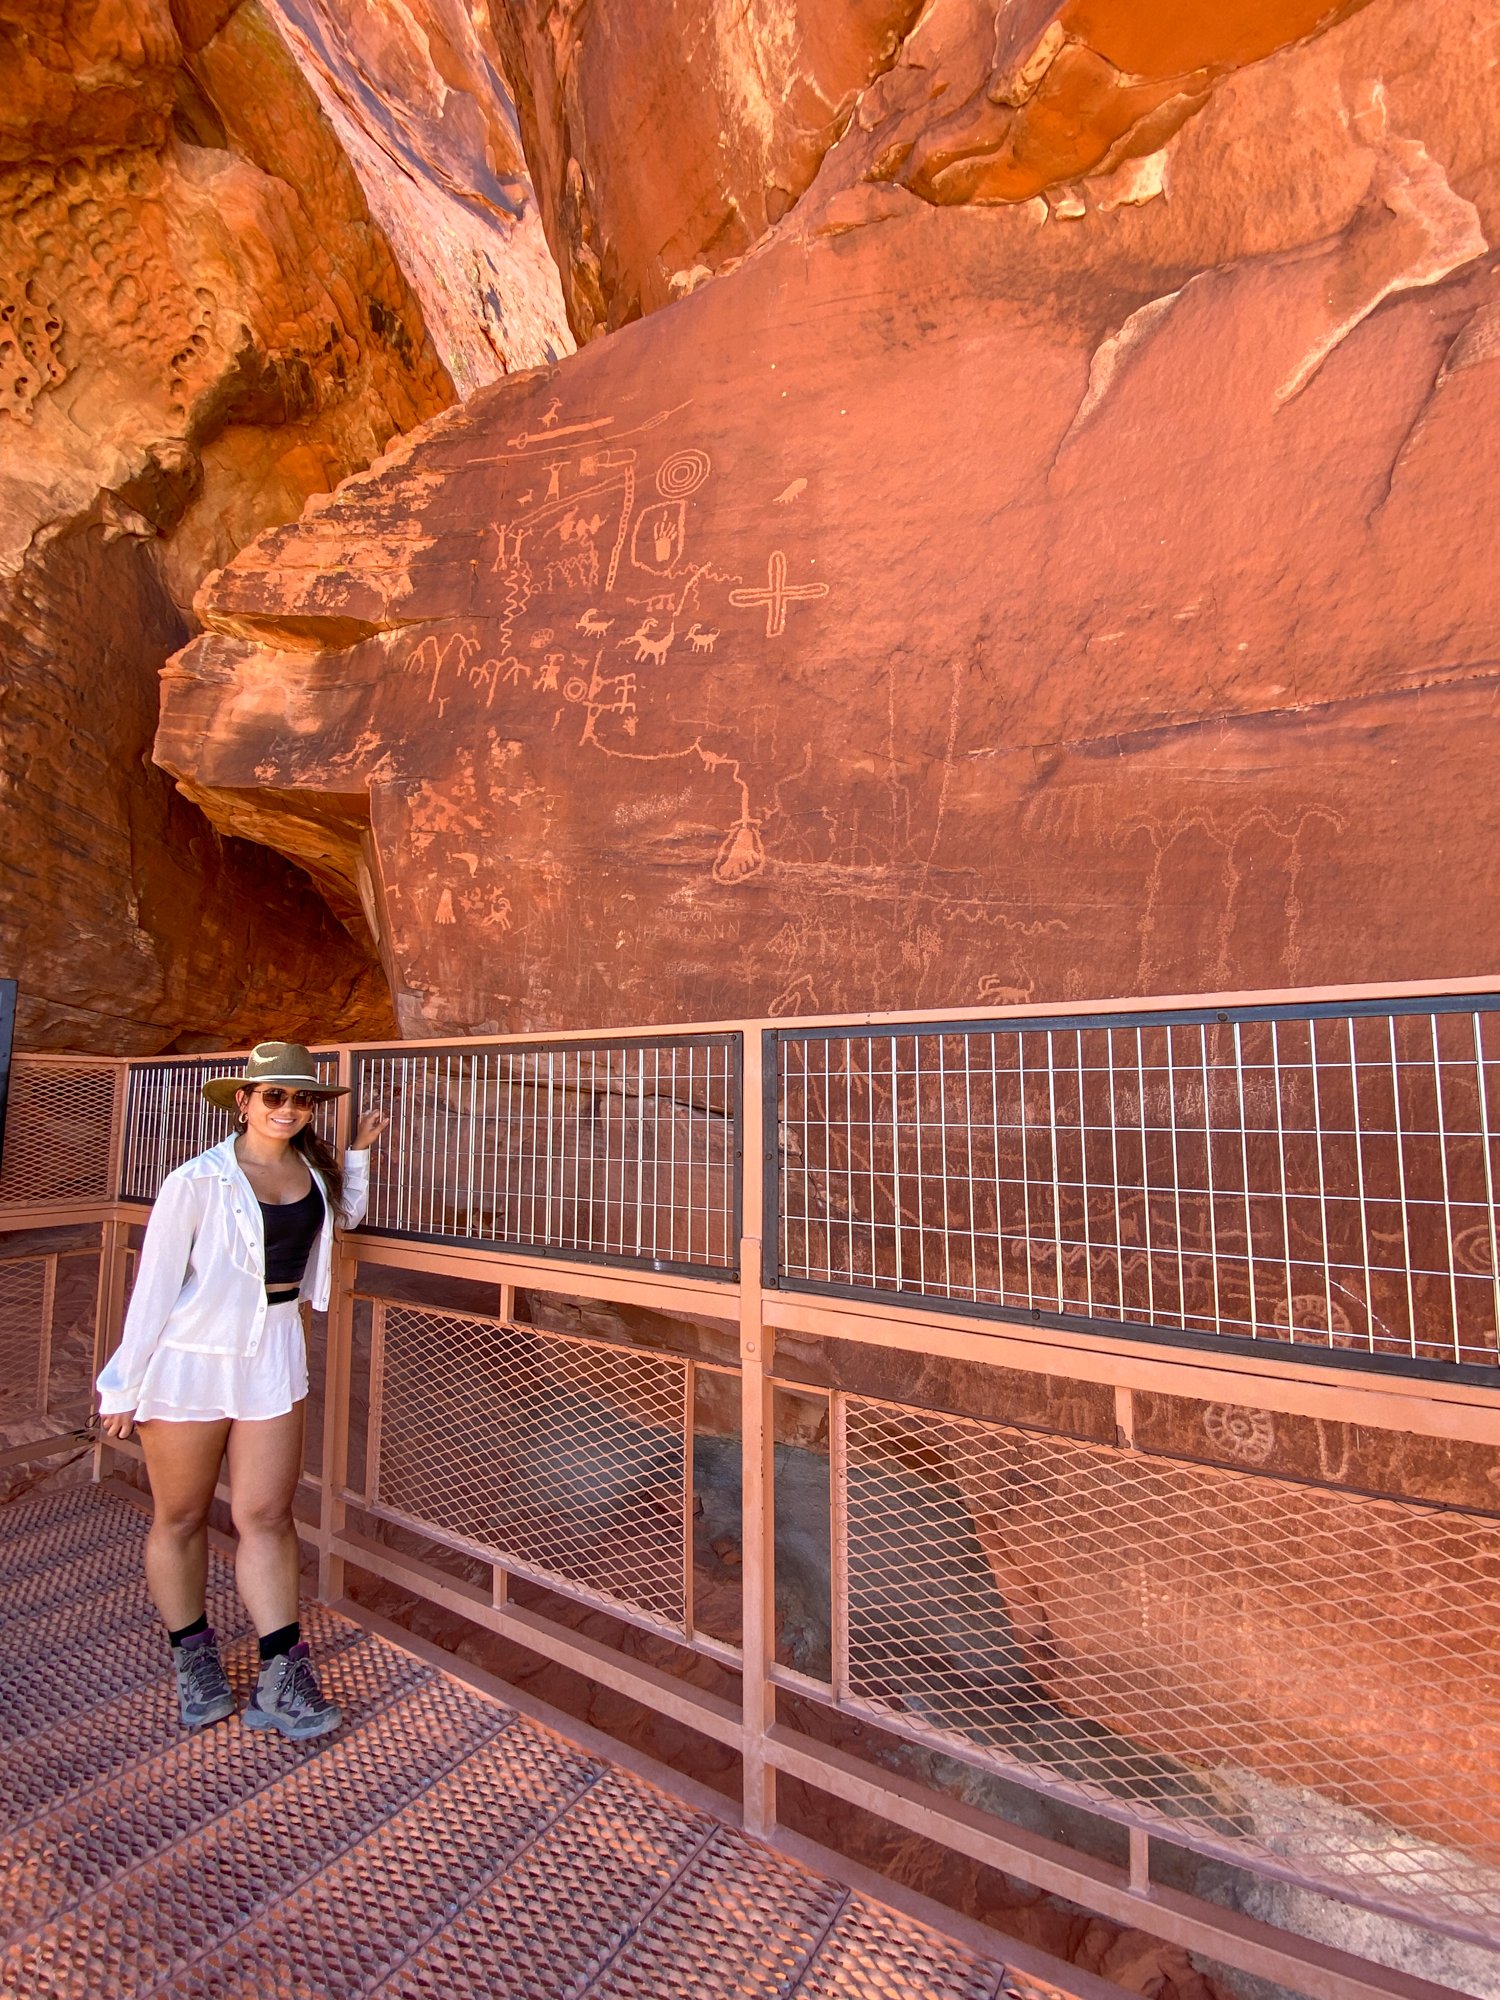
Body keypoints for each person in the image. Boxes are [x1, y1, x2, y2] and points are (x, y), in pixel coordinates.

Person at [96, 1041, 387, 1740]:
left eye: (302, 1098)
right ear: (243, 1102)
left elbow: (340, 1220)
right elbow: (156, 1287)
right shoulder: (195, 1181)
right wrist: (123, 1385)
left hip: (274, 1356)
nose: (289, 1109)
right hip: (191, 1361)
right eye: (275, 1096)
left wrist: (357, 1156)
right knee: (183, 1516)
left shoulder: (313, 1176)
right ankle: (193, 1657)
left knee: (266, 1515)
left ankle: (281, 1674)